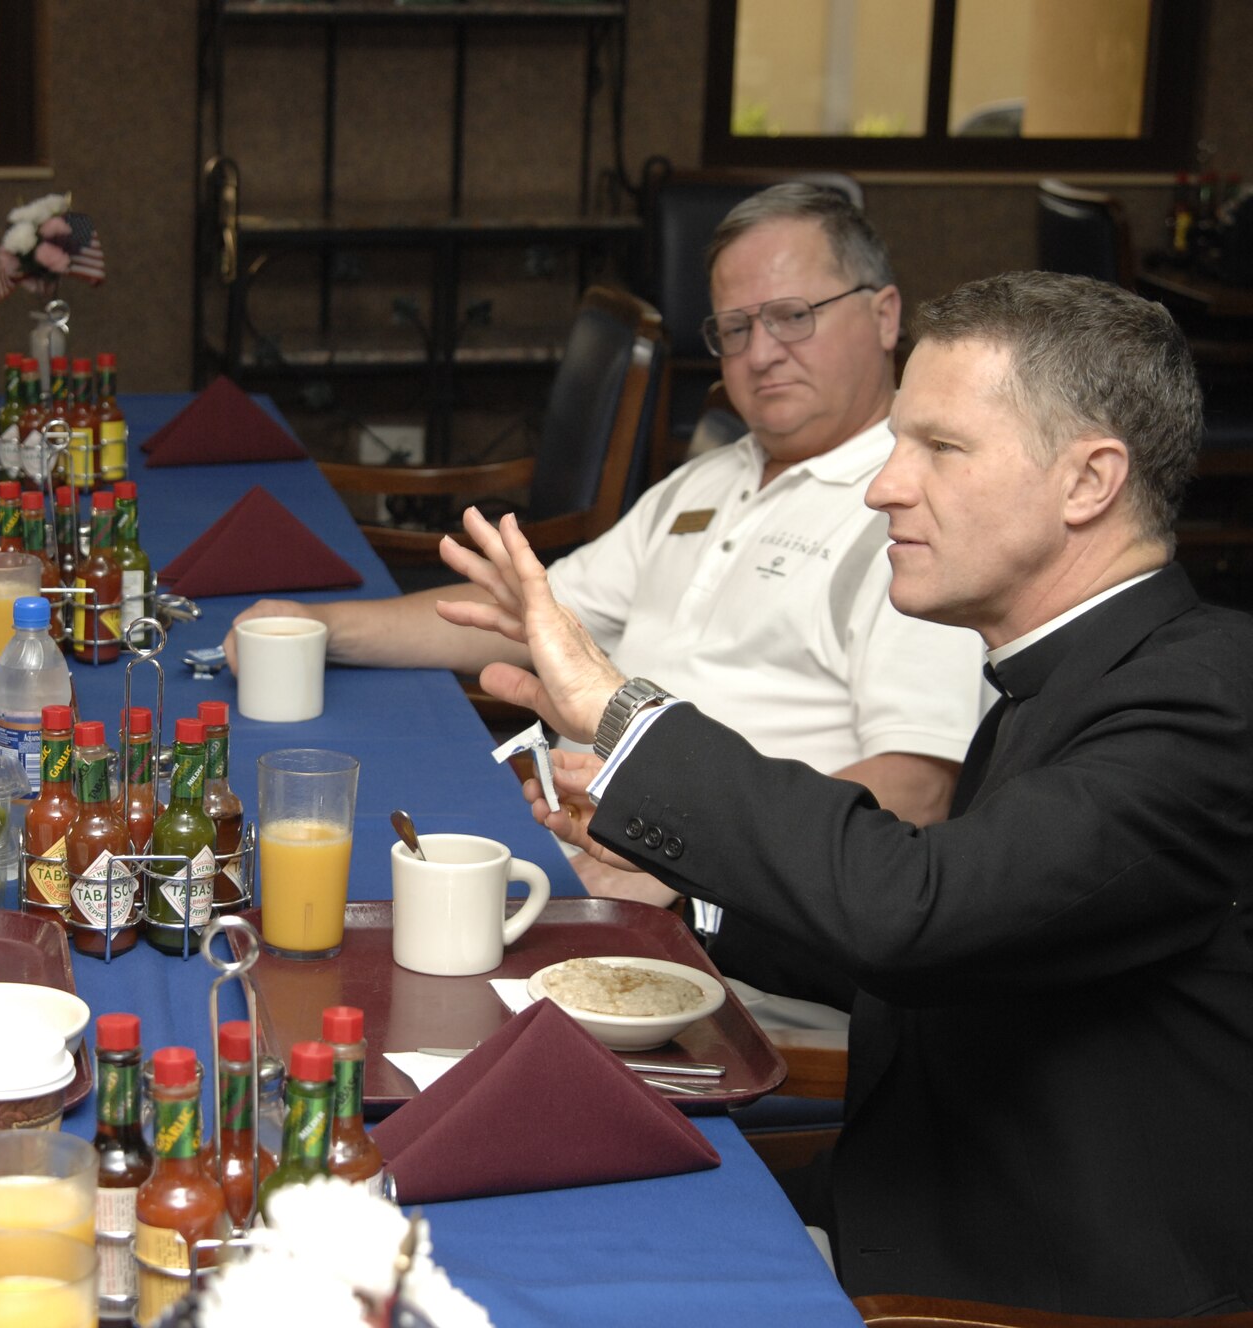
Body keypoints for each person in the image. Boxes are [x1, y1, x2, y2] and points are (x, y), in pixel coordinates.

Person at [442, 272, 1253, 1316]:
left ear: (1087, 479)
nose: (881, 488)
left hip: (1005, 1290)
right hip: (908, 1198)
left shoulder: (1199, 702)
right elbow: (976, 952)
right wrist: (684, 901)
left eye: (939, 449)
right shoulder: (1074, 672)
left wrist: (616, 706)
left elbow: (916, 913)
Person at [231, 185, 984, 881]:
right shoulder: (712, 477)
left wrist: (681, 857)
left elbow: (916, 791)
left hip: (712, 924)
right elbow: (534, 623)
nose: (760, 353)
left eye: (794, 315)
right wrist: (319, 626)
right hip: (570, 849)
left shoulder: (917, 517)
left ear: (885, 315)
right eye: (734, 327)